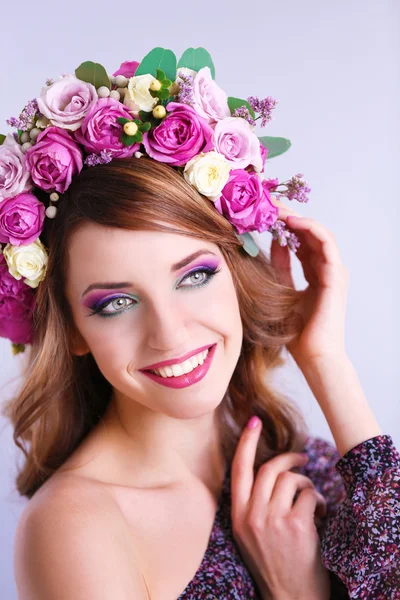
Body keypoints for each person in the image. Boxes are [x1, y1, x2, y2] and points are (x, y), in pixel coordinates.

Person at [1, 48, 399, 599]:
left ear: (236, 275)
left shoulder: (308, 465)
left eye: (194, 277)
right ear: (70, 330)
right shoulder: (76, 528)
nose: (170, 334)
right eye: (116, 303)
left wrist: (326, 361)